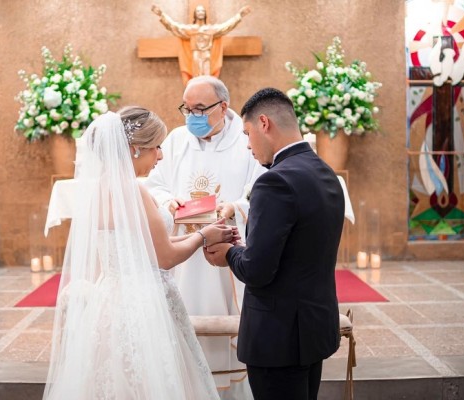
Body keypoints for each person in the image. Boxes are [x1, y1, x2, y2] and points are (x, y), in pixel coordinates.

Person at [43, 107, 239, 399]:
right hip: (145, 303)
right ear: (135, 150)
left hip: (110, 300)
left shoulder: (100, 190)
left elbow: (141, 245)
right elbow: (165, 258)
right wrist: (203, 236)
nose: (160, 155)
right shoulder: (134, 192)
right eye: (156, 147)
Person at [204, 88, 345, 400]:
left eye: (248, 133)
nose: (248, 145)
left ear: (264, 123)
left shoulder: (273, 181)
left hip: (278, 338)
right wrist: (246, 249)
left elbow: (257, 270)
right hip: (314, 329)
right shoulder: (325, 172)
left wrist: (228, 253)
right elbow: (300, 249)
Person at [145, 76, 266, 399]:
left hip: (226, 250)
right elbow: (152, 185)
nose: (191, 115)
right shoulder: (174, 140)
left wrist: (235, 207)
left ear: (223, 107)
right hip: (182, 253)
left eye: (199, 109)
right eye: (187, 108)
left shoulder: (246, 140)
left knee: (227, 319)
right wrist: (167, 201)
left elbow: (261, 191)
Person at [151, 3, 251, 84]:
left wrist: (239, 16)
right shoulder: (191, 29)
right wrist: (162, 15)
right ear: (195, 14)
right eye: (198, 11)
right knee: (196, 79)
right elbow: (174, 26)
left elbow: (226, 27)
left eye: (202, 11)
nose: (200, 12)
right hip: (196, 55)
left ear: (205, 14)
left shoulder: (211, 29)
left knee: (207, 79)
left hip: (207, 54)